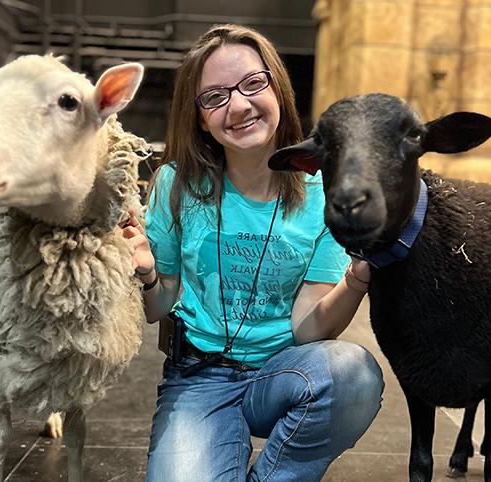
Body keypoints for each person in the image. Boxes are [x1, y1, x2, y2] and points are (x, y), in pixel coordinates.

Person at [121, 24, 384, 481]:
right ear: (200, 117)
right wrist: (146, 274)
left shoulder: (323, 195)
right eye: (215, 97)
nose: (238, 105)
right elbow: (156, 308)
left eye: (252, 84)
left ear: (277, 89)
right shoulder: (176, 183)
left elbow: (308, 328)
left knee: (352, 372)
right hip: (198, 375)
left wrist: (358, 279)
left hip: (283, 374)